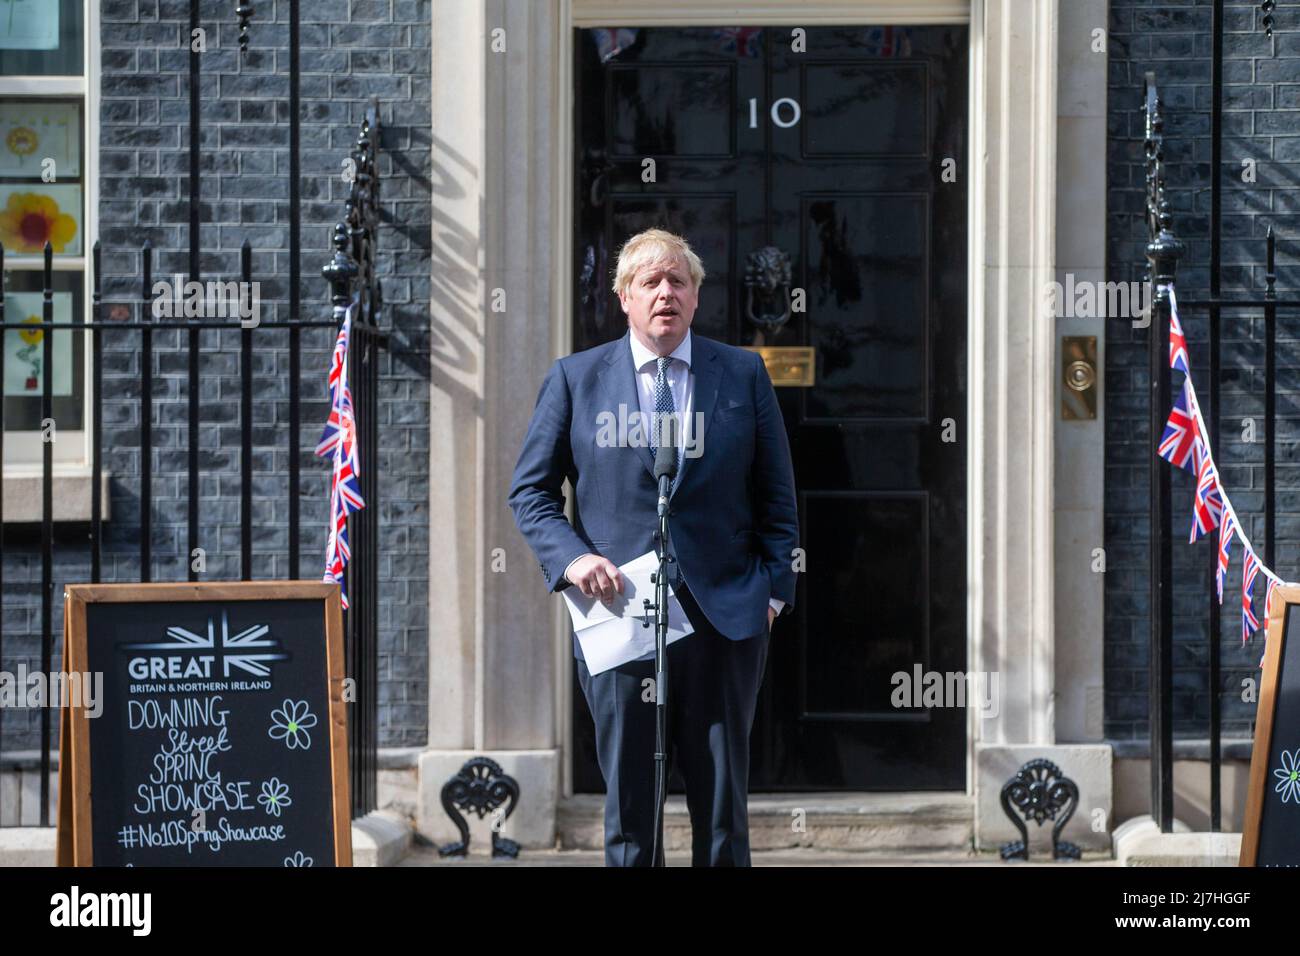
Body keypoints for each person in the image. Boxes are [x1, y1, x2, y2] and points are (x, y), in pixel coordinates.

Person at [507, 228, 798, 866]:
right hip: (620, 615)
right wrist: (575, 558)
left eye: (678, 281)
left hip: (725, 615)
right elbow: (530, 492)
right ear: (624, 298)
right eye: (650, 281)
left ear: (695, 298)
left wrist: (774, 592)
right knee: (631, 805)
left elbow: (777, 496)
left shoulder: (743, 374)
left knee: (723, 808)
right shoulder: (576, 380)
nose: (665, 292)